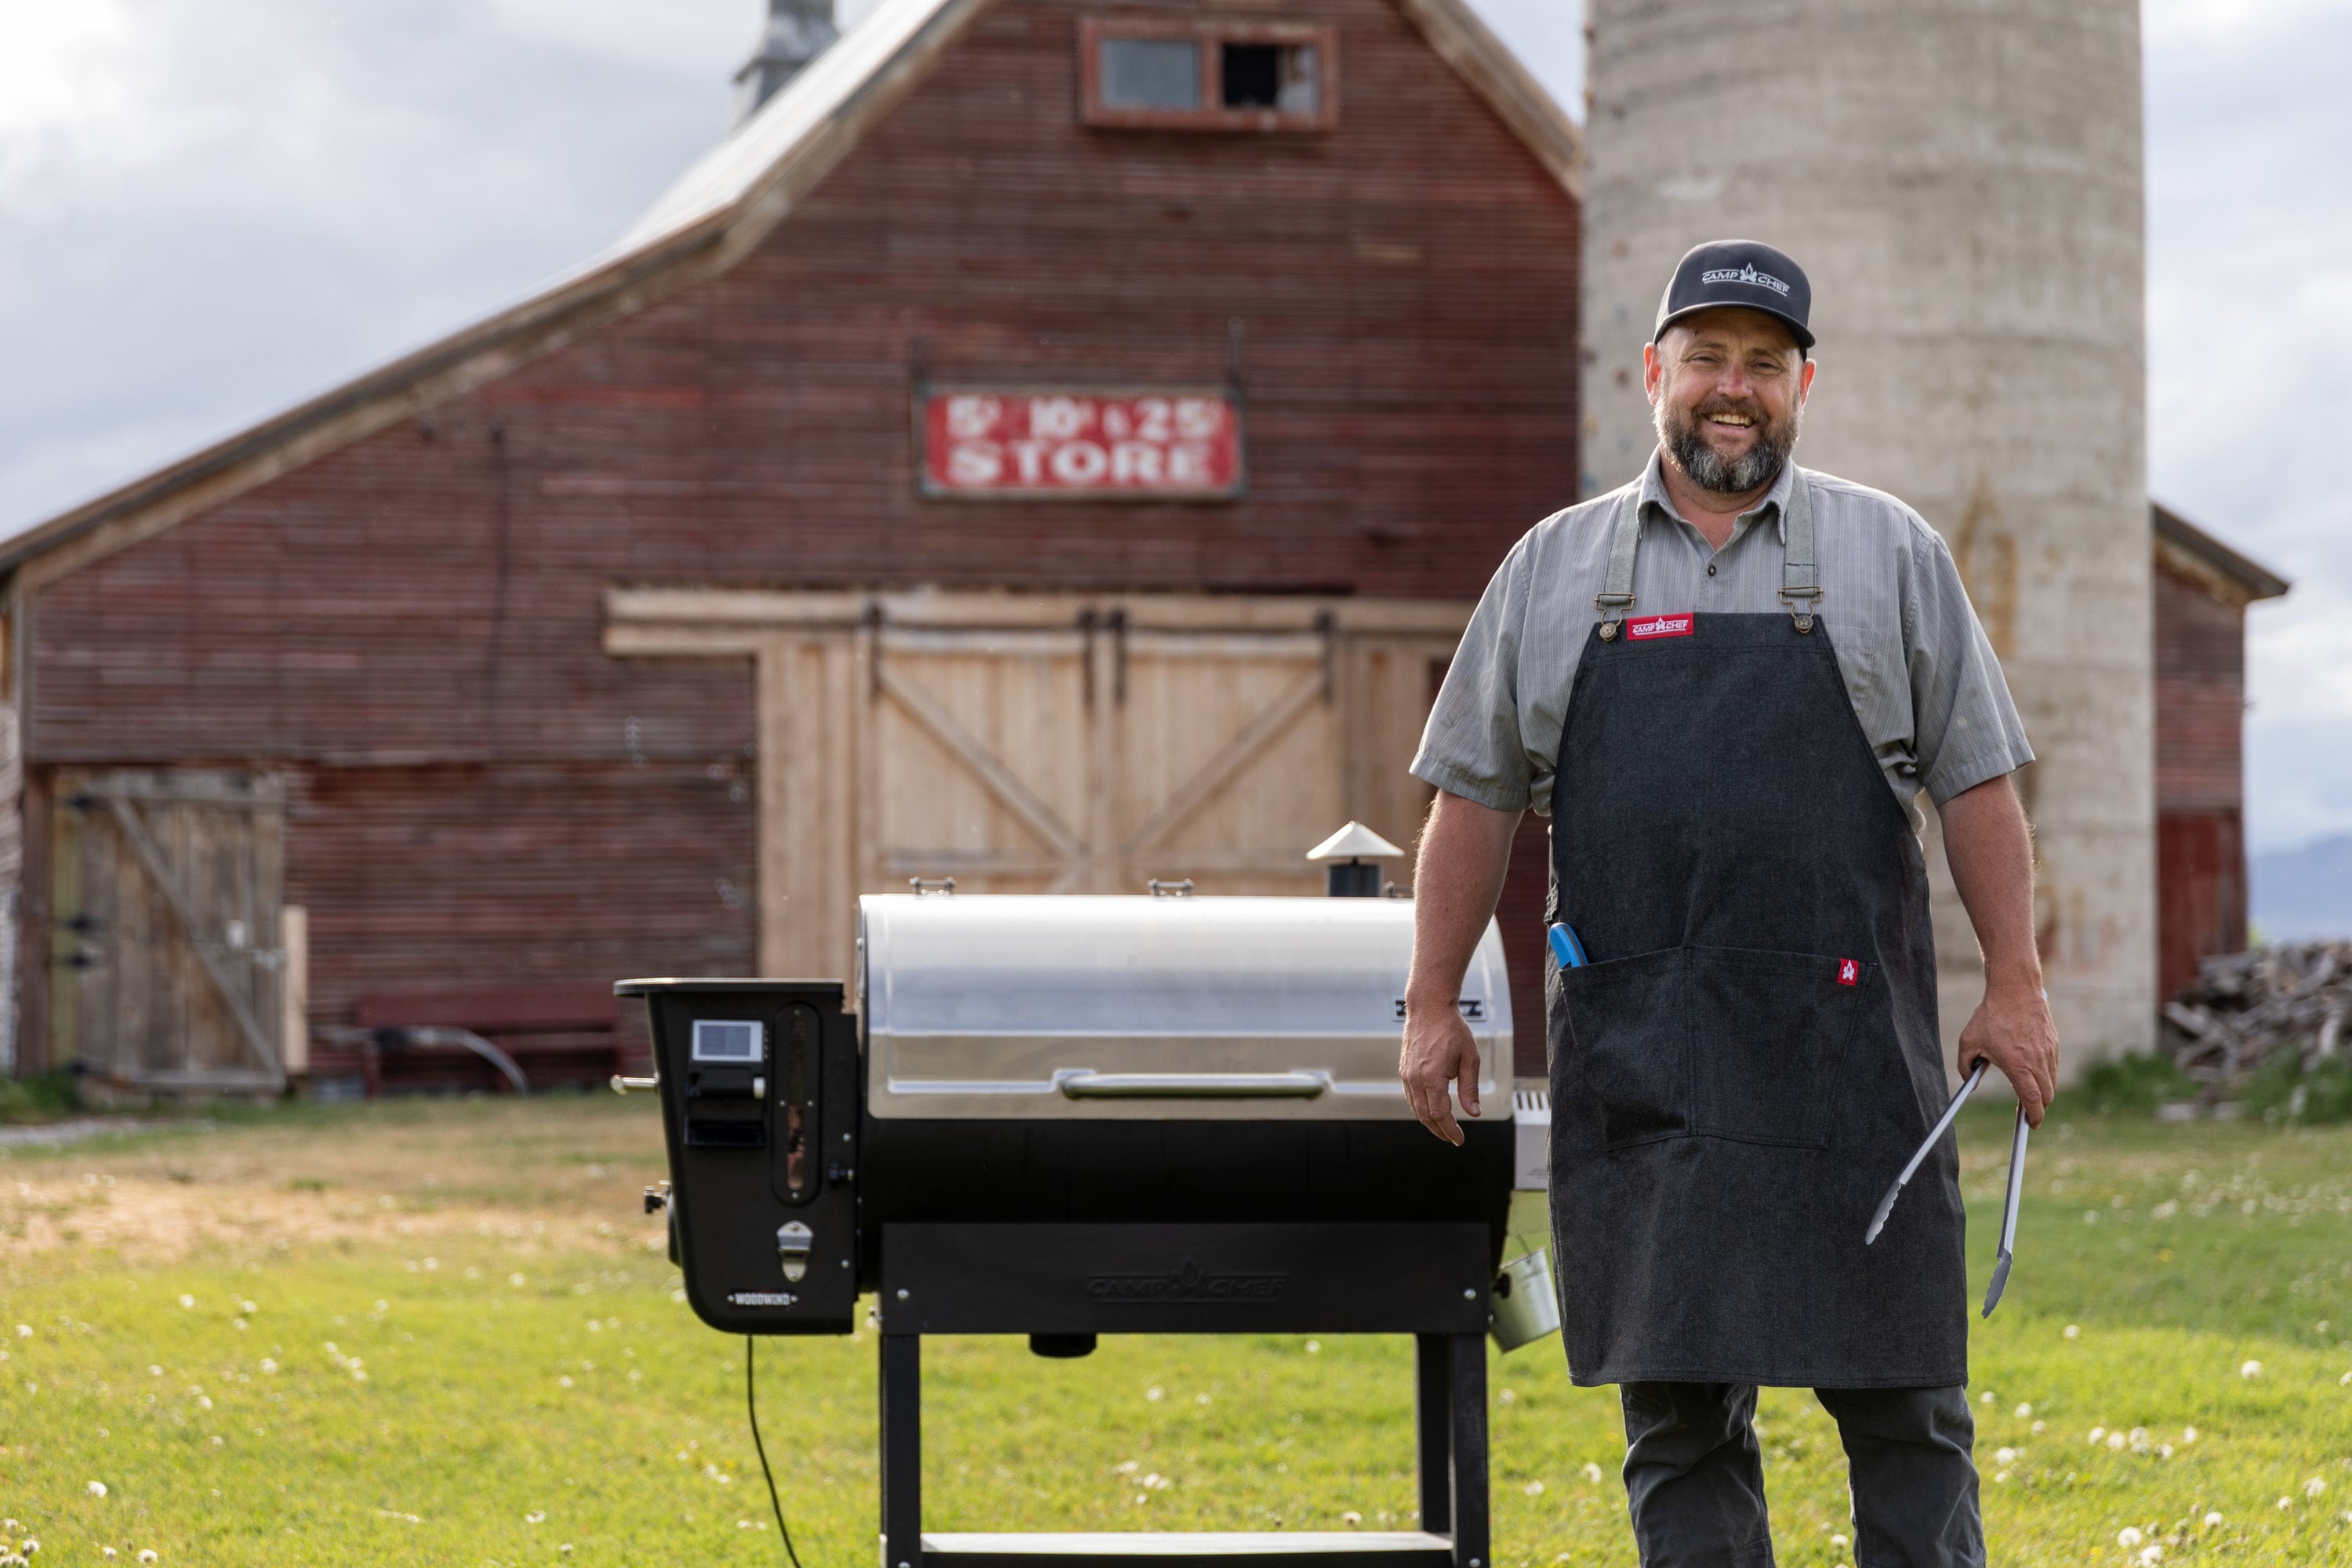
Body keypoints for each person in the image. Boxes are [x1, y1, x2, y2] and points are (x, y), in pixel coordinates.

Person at [1398, 239, 2060, 1568]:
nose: (1733, 389)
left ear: (1804, 384)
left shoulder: (1893, 555)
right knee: (1681, 1417)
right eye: (1707, 358)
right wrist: (1429, 1002)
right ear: (1655, 372)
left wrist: (2017, 982)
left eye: (1765, 363)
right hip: (1651, 1059)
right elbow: (1470, 802)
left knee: (1908, 1407)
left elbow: (1978, 779)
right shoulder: (1553, 568)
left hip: (1849, 1065)